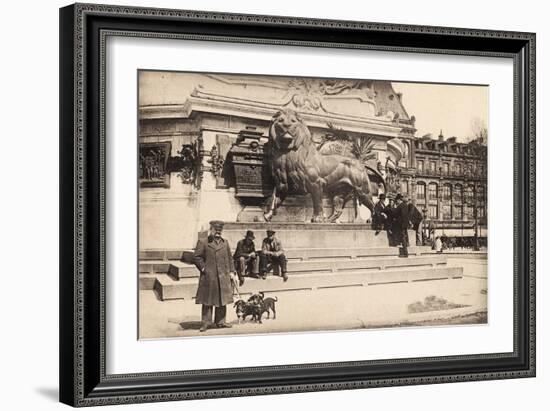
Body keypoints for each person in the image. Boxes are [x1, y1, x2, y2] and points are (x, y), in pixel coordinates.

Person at [193, 220, 238, 332]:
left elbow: (230, 258)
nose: (218, 232)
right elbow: (197, 257)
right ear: (211, 229)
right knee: (208, 300)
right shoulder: (203, 242)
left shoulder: (225, 243)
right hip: (210, 276)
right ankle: (206, 323)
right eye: (216, 230)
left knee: (222, 298)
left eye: (220, 230)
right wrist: (204, 268)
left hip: (223, 276)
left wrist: (232, 272)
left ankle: (221, 321)